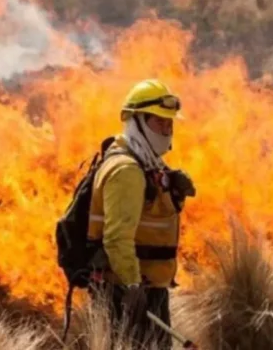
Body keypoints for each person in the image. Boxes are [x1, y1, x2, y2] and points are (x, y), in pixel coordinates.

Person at [87, 79, 195, 349]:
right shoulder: (126, 171)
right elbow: (116, 237)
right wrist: (133, 286)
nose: (167, 129)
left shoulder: (143, 162)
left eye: (170, 123)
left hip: (145, 289)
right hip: (130, 292)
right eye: (160, 122)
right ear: (137, 121)